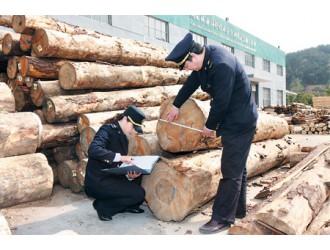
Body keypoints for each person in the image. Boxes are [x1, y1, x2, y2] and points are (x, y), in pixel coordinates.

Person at [165, 33, 258, 234]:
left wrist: (209, 126)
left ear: (193, 56)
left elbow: (221, 103)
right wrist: (175, 105)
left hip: (240, 122)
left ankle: (222, 218)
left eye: (186, 65)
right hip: (232, 118)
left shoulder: (221, 64)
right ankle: (238, 211)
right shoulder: (205, 60)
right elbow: (191, 84)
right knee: (237, 167)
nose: (187, 70)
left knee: (230, 170)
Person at [84, 105, 147, 221]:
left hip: (111, 176)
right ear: (125, 119)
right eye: (133, 127)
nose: (133, 131)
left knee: (138, 176)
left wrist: (129, 176)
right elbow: (93, 149)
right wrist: (120, 157)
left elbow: (116, 166)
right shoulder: (107, 129)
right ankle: (103, 207)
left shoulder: (123, 134)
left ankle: (128, 206)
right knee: (139, 194)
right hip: (98, 180)